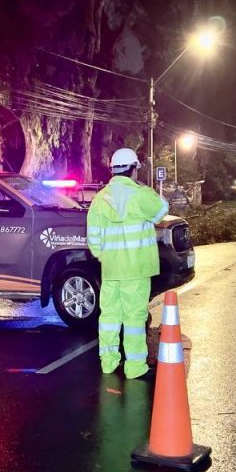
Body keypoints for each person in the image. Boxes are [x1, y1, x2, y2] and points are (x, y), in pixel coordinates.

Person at [86, 148, 169, 379]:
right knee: (134, 318)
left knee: (110, 316)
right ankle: (134, 367)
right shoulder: (141, 195)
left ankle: (109, 362)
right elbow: (162, 210)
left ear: (113, 169)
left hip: (111, 270)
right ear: (133, 169)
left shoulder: (99, 199)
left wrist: (107, 257)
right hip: (137, 270)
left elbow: (93, 241)